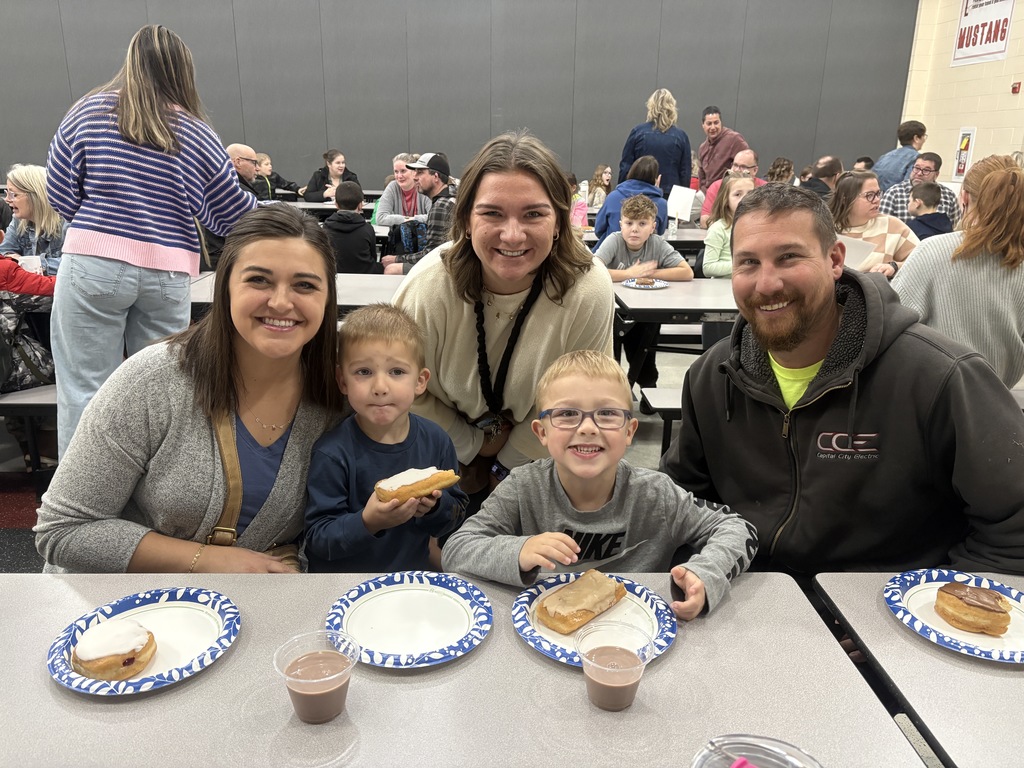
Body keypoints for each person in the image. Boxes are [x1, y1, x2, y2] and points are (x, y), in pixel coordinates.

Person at [661, 183, 1024, 577]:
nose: (766, 283)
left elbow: (1013, 529)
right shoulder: (712, 378)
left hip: (882, 617)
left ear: (835, 259)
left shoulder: (940, 378)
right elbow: (681, 503)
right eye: (748, 263)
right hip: (745, 603)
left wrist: (910, 619)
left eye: (788, 257)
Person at [35, 205, 346, 574]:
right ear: (225, 287)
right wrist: (211, 560)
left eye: (305, 285)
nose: (281, 301)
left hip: (248, 607)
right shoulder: (154, 379)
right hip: (124, 609)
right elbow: (62, 531)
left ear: (327, 299)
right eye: (259, 280)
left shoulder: (341, 394)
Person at [46, 24, 259, 458]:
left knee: (83, 388)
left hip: (92, 261)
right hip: (168, 273)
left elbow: (59, 190)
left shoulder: (90, 110)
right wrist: (281, 214)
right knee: (161, 394)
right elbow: (229, 214)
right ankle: (150, 503)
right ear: (184, 71)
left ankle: (76, 512)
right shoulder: (199, 133)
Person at [442, 350, 757, 619]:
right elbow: (456, 550)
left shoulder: (656, 495)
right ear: (541, 433)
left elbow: (737, 527)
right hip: (543, 632)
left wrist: (705, 572)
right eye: (567, 414)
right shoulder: (523, 488)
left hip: (634, 632)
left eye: (607, 414)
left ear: (630, 431)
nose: (588, 428)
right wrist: (519, 550)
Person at [392, 130, 615, 505]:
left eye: (534, 214)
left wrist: (506, 465)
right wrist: (471, 445)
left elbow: (585, 393)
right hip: (434, 452)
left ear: (559, 221)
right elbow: (396, 388)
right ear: (465, 219)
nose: (512, 236)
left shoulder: (588, 288)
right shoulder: (429, 287)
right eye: (492, 213)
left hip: (544, 451)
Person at [304, 304, 467, 572]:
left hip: (409, 580)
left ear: (420, 381)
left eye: (397, 372)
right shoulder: (333, 452)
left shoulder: (437, 440)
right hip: (345, 586)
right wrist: (369, 522)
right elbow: (318, 539)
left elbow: (457, 514)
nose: (380, 387)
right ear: (342, 381)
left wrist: (435, 508)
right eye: (364, 372)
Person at [893, 155, 1024, 387]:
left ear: (963, 197)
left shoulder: (934, 250)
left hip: (929, 397)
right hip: (996, 397)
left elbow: (890, 324)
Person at [594, 194, 693, 387]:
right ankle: (613, 389)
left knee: (645, 351)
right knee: (609, 359)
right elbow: (593, 269)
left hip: (646, 312)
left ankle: (647, 385)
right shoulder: (614, 241)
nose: (634, 230)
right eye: (629, 223)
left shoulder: (657, 244)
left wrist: (652, 273)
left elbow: (686, 272)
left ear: (653, 227)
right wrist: (630, 273)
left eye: (642, 224)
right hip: (612, 312)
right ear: (620, 223)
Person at [828, 170, 919, 276]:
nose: (877, 200)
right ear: (845, 199)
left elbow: (922, 261)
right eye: (869, 195)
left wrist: (894, 266)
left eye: (878, 194)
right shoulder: (825, 228)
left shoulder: (892, 226)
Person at [382, 152, 454, 275]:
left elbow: (432, 255)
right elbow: (380, 217)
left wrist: (396, 259)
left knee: (391, 269)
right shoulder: (452, 193)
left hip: (445, 267)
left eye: (420, 172)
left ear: (436, 177)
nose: (415, 177)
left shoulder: (441, 206)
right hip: (452, 259)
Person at [618, 88, 692, 199]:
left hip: (639, 193)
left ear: (651, 107)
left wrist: (621, 191)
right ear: (672, 108)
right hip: (670, 195)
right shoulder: (681, 136)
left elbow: (625, 167)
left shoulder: (638, 132)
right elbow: (685, 173)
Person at [1, 164, 65, 276]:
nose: (7, 200)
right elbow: (4, 253)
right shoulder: (18, 220)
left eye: (13, 194)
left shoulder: (68, 224)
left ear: (35, 196)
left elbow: (76, 267)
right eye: (7, 194)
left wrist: (26, 262)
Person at [593, 156, 667, 249]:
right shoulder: (662, 204)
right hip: (644, 256)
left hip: (610, 253)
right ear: (657, 178)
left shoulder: (613, 197)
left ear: (630, 173)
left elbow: (598, 230)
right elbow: (659, 232)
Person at [878, 152, 961, 227]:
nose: (919, 173)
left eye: (926, 170)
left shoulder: (948, 196)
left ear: (936, 174)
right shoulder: (894, 193)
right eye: (916, 168)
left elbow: (954, 228)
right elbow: (882, 226)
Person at [701, 173, 756, 278]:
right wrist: (742, 264)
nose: (744, 199)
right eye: (737, 195)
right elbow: (708, 267)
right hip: (722, 290)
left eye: (750, 193)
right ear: (726, 200)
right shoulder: (718, 229)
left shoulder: (758, 227)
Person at [699, 149, 767, 227]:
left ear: (755, 170)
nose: (737, 170)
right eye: (735, 165)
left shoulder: (765, 189)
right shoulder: (717, 186)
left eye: (743, 167)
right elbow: (704, 221)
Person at [324, 181, 380, 274]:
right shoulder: (367, 229)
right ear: (360, 205)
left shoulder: (324, 230)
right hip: (365, 278)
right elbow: (373, 256)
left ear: (336, 204)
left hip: (333, 278)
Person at [697, 106, 749, 192]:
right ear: (703, 125)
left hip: (727, 194)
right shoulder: (703, 147)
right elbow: (701, 175)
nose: (713, 127)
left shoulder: (734, 139)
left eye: (716, 122)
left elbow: (746, 167)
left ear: (721, 122)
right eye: (709, 123)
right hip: (708, 195)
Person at [375, 152, 431, 226]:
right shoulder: (392, 187)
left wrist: (411, 220)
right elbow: (380, 218)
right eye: (396, 172)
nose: (399, 176)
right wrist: (408, 220)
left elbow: (433, 218)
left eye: (403, 171)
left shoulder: (424, 187)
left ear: (414, 172)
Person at [872, 120, 927, 192]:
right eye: (924, 136)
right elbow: (909, 187)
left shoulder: (885, 156)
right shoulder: (916, 158)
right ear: (916, 138)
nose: (924, 140)